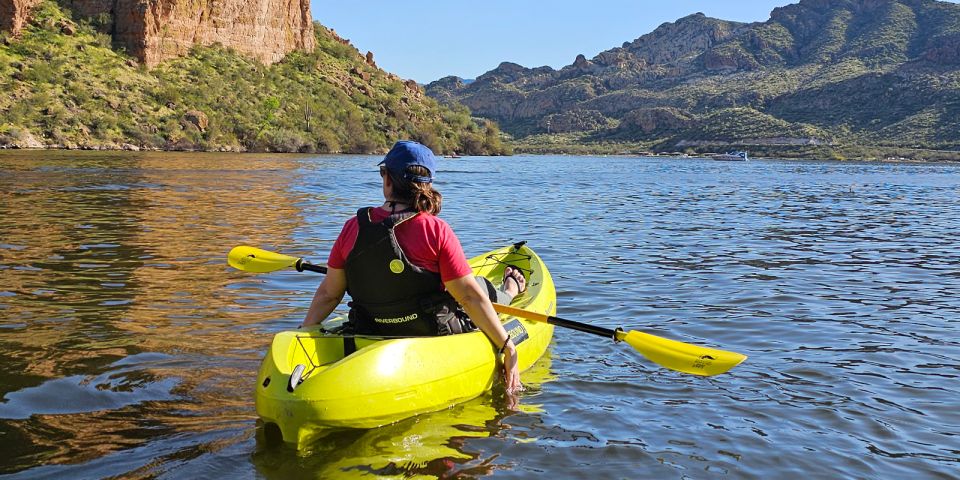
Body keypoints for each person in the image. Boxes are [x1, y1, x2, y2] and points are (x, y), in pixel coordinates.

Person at [300, 140, 525, 394]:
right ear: (427, 185)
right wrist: (507, 345)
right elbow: (470, 297)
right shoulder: (436, 230)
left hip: (371, 329)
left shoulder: (352, 227)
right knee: (480, 286)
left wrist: (303, 334)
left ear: (387, 180)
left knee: (472, 286)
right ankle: (510, 289)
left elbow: (330, 294)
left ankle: (507, 289)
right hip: (431, 335)